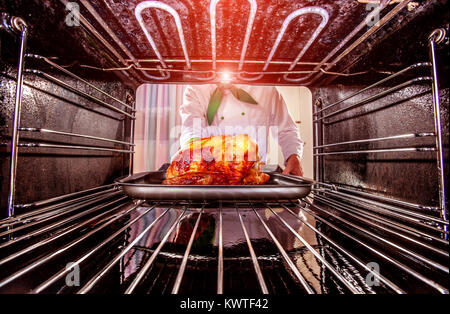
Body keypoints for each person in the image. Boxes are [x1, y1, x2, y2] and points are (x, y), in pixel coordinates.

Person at [179, 83, 304, 176]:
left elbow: (286, 130)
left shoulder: (266, 88)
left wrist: (293, 156)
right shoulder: (197, 88)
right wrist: (192, 151)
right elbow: (191, 128)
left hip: (255, 177)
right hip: (211, 177)